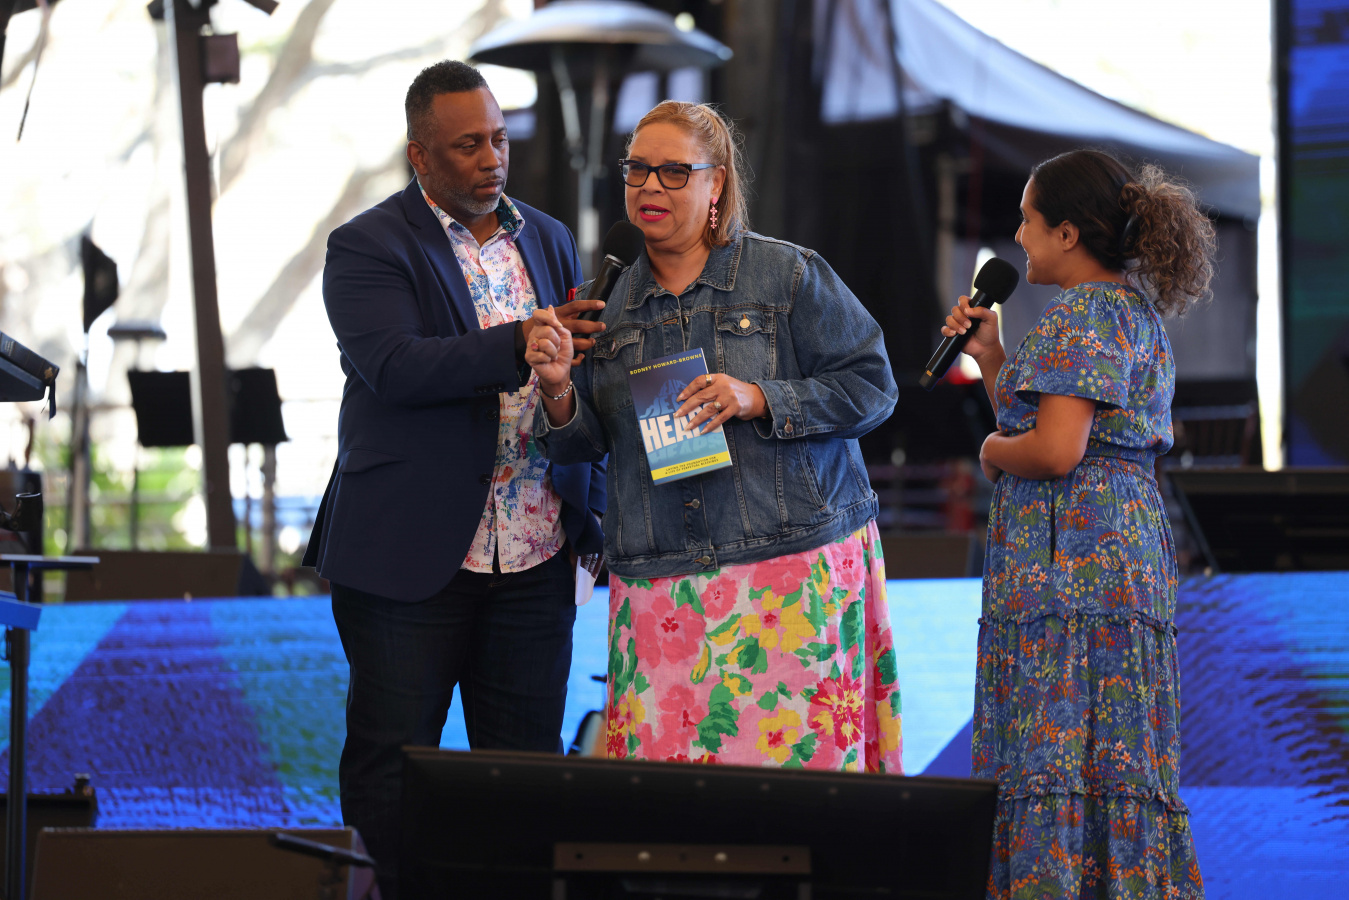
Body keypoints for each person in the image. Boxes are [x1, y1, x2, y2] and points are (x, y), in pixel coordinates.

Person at [301, 61, 606, 899]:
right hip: (410, 554)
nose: (491, 158)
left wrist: (593, 513)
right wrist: (518, 341)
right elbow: (395, 367)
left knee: (524, 778)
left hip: (536, 549)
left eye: (498, 139)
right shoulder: (366, 245)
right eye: (468, 145)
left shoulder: (547, 237)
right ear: (420, 155)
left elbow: (577, 379)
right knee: (392, 767)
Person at [525, 101, 902, 772]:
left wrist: (759, 397)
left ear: (717, 183)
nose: (649, 186)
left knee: (798, 794)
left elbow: (872, 387)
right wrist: (556, 387)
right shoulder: (602, 304)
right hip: (662, 582)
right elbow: (576, 446)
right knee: (673, 804)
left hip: (789, 571)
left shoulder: (786, 275)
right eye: (637, 169)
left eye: (674, 171)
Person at [942, 149, 1215, 899]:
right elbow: (1062, 426)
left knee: (1058, 736)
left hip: (1075, 563)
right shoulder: (1128, 311)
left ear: (1067, 233)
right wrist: (993, 359)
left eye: (1027, 221)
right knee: (1110, 744)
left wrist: (991, 450)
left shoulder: (1081, 314)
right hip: (1117, 547)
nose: (1018, 237)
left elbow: (1055, 450)